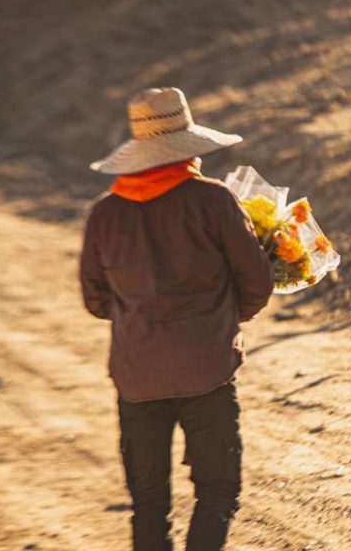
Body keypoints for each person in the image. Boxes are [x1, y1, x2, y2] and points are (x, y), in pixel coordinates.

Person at [80, 87, 274, 551]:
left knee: (148, 504)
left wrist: (138, 318)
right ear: (188, 147)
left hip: (137, 375)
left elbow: (95, 299)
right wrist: (223, 320)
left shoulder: (105, 213)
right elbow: (257, 281)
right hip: (207, 369)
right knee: (217, 491)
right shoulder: (214, 201)